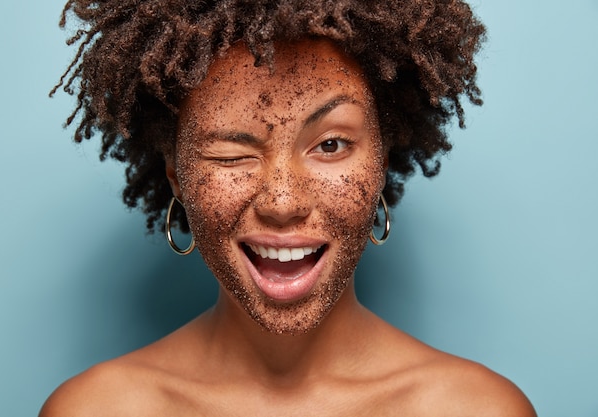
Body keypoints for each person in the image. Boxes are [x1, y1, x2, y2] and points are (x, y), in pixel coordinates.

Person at [40, 1, 536, 415]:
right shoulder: (95, 409)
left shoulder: (478, 409)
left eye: (332, 144)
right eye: (232, 154)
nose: (282, 203)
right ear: (176, 174)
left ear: (382, 158)